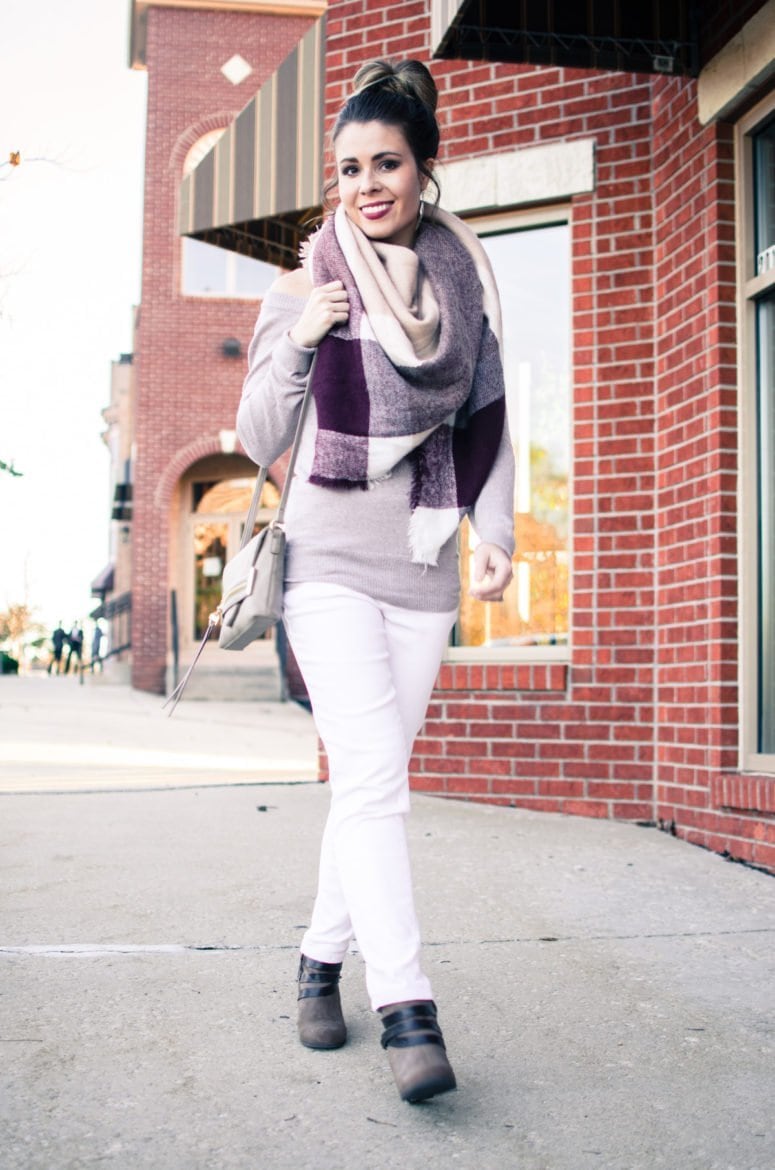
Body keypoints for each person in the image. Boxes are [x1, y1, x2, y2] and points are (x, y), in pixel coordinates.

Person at [237, 58, 515, 1105]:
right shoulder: (304, 281)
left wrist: (495, 532)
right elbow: (259, 433)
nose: (365, 183)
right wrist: (302, 345)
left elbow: (489, 410)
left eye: (385, 163)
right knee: (375, 785)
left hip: (423, 564)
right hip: (328, 563)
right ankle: (407, 1006)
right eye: (348, 167)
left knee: (367, 788)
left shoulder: (465, 280)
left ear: (421, 168)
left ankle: (317, 961)